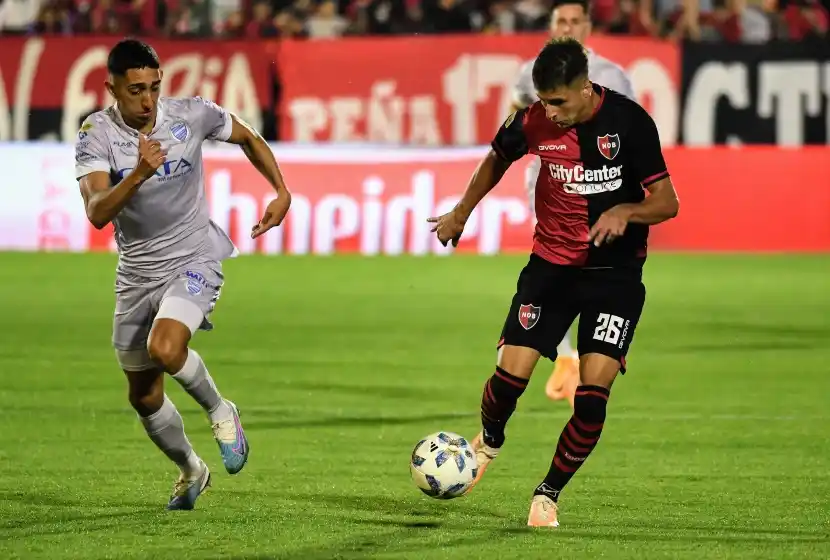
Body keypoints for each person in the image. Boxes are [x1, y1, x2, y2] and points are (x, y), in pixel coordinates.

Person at [428, 37, 679, 528]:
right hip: (551, 269)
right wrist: (461, 212)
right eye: (544, 100)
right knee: (508, 379)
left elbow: (667, 202)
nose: (551, 111)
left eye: (559, 101)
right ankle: (490, 442)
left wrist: (628, 210)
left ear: (585, 89)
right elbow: (496, 159)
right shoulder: (532, 119)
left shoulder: (630, 123)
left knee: (591, 398)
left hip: (616, 276)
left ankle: (548, 494)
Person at [74, 39, 292, 511]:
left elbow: (249, 137)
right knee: (144, 394)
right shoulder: (96, 133)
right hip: (136, 273)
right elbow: (95, 211)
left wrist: (280, 189)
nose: (148, 100)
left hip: (194, 256)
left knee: (166, 347)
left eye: (154, 87)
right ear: (111, 86)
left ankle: (220, 410)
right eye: (135, 90)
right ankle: (192, 468)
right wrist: (137, 174)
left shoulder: (191, 115)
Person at [509, 0, 636, 409]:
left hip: (601, 186)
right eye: (560, 21)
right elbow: (516, 119)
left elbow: (630, 131)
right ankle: (566, 356)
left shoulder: (612, 75)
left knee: (599, 267)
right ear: (551, 25)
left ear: (588, 25)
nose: (566, 27)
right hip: (551, 183)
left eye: (574, 21)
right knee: (557, 260)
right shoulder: (531, 72)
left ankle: (595, 346)